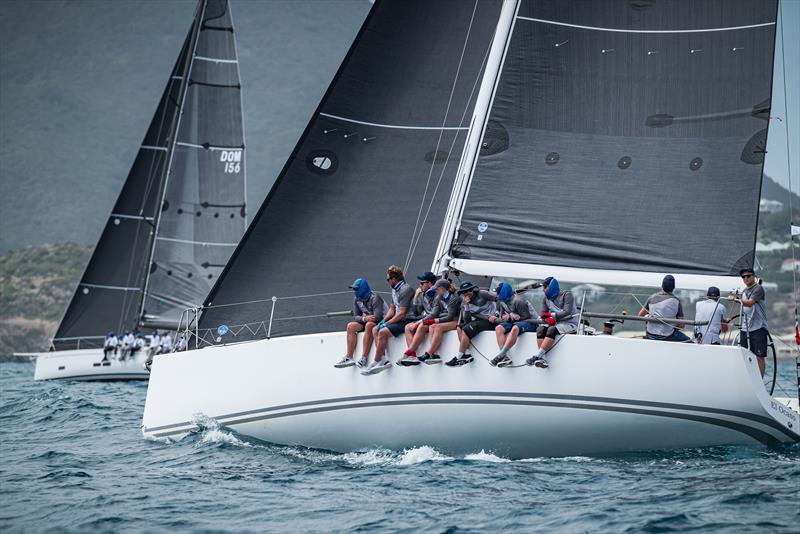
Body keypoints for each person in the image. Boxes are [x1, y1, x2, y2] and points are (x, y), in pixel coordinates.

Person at [361, 265, 414, 375]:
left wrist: (388, 323)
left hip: (407, 319)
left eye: (388, 279)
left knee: (383, 332)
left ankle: (375, 361)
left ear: (394, 278)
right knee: (375, 329)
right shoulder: (395, 289)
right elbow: (392, 308)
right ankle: (383, 360)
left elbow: (402, 313)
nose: (388, 282)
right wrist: (383, 321)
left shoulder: (405, 289)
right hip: (400, 319)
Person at [399, 278, 461, 365]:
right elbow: (434, 314)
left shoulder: (454, 298)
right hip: (445, 320)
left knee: (437, 326)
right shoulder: (439, 298)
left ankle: (428, 353)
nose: (436, 291)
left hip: (455, 320)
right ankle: (432, 354)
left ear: (443, 288)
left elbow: (450, 316)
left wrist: (435, 320)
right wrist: (420, 322)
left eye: (437, 289)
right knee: (431, 326)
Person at [527, 277, 578, 368]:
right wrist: (547, 319)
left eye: (545, 287)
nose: (543, 290)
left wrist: (551, 316)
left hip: (570, 324)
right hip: (557, 323)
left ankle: (537, 356)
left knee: (551, 329)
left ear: (552, 286)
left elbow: (567, 312)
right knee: (540, 329)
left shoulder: (567, 295)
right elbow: (543, 315)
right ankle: (542, 359)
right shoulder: (545, 299)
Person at [335, 278, 387, 368]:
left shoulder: (375, 298)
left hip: (382, 321)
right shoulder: (357, 299)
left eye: (356, 289)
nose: (354, 291)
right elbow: (356, 316)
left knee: (369, 325)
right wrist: (364, 318)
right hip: (368, 320)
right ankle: (349, 357)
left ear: (362, 289)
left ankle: (364, 357)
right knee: (350, 326)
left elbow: (377, 317)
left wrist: (367, 319)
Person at [446, 281, 497, 367]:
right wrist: (467, 306)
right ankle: (467, 354)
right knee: (459, 327)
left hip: (493, 320)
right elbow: (467, 321)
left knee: (466, 329)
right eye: (464, 292)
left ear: (473, 289)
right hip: (481, 320)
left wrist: (497, 313)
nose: (467, 293)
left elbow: (498, 298)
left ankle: (459, 357)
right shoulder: (464, 303)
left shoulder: (483, 293)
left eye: (469, 290)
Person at [729, 268, 770, 376]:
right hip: (745, 328)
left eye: (748, 276)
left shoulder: (758, 288)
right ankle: (746, 378)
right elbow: (744, 307)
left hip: (758, 327)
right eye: (743, 277)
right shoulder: (744, 291)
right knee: (743, 354)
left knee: (759, 356)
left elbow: (750, 303)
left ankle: (759, 382)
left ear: (754, 276)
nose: (746, 278)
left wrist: (736, 299)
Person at [491, 282, 538, 368]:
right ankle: (505, 358)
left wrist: (511, 317)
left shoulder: (518, 301)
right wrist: (506, 317)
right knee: (499, 328)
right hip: (515, 321)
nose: (496, 295)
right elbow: (503, 316)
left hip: (532, 322)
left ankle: (500, 355)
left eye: (498, 293)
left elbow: (526, 317)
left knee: (515, 327)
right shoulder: (502, 302)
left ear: (504, 292)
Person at [398, 272, 438, 366]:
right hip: (427, 319)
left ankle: (407, 353)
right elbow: (417, 312)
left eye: (422, 283)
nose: (420, 285)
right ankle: (412, 356)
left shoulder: (436, 294)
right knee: (408, 327)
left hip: (435, 319)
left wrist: (418, 322)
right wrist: (416, 298)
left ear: (430, 283)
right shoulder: (423, 294)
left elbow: (434, 314)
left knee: (420, 326)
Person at [637, 275, 690, 343]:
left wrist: (649, 316)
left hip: (650, 334)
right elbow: (681, 325)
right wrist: (671, 323)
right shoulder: (676, 301)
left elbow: (640, 315)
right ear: (673, 287)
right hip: (667, 336)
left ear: (662, 286)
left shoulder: (651, 298)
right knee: (689, 341)